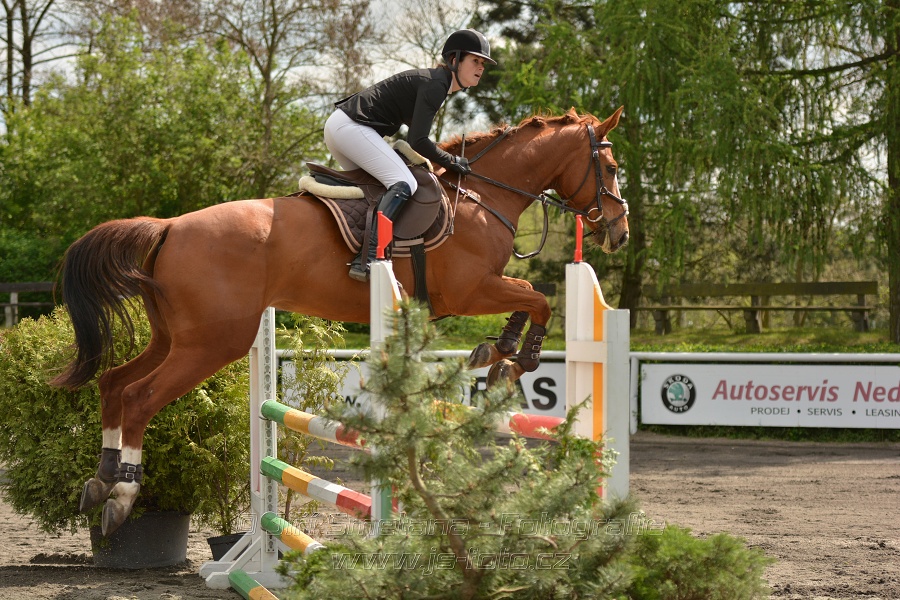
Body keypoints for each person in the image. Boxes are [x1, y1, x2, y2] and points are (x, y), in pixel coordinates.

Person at [324, 28, 496, 282]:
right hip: (351, 127)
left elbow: (414, 141)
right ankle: (370, 256)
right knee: (405, 183)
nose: (480, 68)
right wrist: (451, 161)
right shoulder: (437, 83)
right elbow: (418, 140)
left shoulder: (437, 82)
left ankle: (351, 247)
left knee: (376, 189)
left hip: (343, 127)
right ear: (454, 60)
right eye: (475, 60)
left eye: (483, 63)